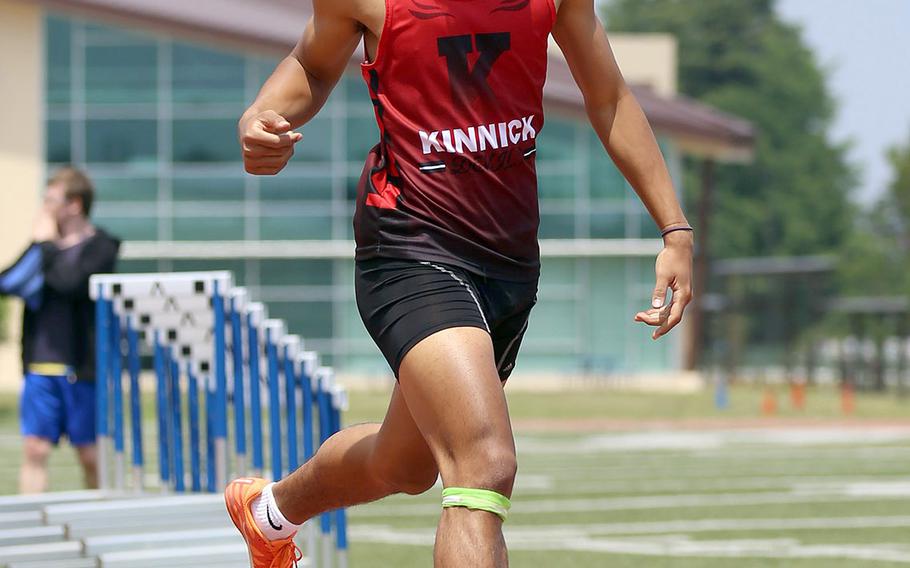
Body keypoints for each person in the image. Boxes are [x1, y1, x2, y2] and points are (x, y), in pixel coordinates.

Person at [225, 0, 693, 565]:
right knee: (484, 465)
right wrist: (262, 116)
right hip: (409, 247)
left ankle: (268, 513)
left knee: (404, 465)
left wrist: (675, 231)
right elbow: (314, 62)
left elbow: (609, 97)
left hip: (509, 260)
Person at [0, 167, 120, 494]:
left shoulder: (102, 246)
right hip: (40, 365)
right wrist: (39, 246)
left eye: (51, 199)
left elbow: (71, 284)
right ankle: (30, 521)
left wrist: (46, 248)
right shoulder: (44, 248)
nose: (44, 207)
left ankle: (98, 514)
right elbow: (6, 282)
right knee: (35, 448)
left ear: (74, 205)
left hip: (81, 368)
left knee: (89, 454)